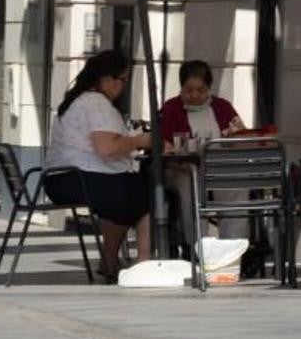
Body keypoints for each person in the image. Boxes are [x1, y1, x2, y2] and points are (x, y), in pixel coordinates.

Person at [45, 50, 154, 279]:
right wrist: (140, 141)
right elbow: (107, 147)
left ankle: (110, 258)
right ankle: (139, 261)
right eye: (122, 80)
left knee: (126, 192)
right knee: (148, 192)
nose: (122, 86)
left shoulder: (80, 99)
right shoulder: (96, 102)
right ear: (107, 79)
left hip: (61, 179)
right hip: (75, 179)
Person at [159, 60, 249, 246]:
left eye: (201, 90)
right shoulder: (171, 108)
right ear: (181, 88)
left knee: (236, 183)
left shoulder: (222, 107)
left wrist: (237, 133)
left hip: (218, 167)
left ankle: (232, 247)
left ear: (209, 89)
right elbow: (163, 143)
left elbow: (242, 138)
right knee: (189, 183)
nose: (194, 95)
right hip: (182, 168)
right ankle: (199, 246)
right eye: (188, 90)